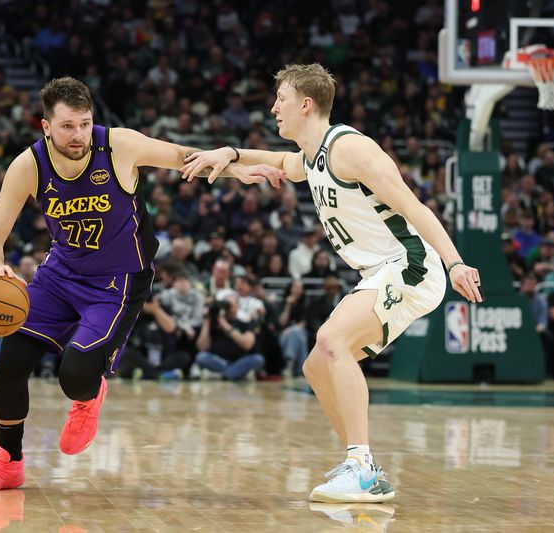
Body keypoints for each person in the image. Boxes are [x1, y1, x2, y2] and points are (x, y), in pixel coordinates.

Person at [182, 63, 482, 502]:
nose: (273, 108)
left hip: (410, 264)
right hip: (380, 271)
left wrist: (455, 262)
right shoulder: (314, 154)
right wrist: (230, 154)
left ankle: (360, 466)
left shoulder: (352, 149)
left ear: (306, 104)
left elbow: (416, 208)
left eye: (280, 99)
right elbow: (282, 162)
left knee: (330, 340)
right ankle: (366, 466)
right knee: (315, 365)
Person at [0, 77, 275, 491]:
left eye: (85, 124)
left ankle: (89, 395)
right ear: (46, 127)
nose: (79, 135)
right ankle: (8, 462)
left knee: (73, 376)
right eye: (68, 126)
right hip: (59, 275)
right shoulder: (28, 165)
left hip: (119, 281)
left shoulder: (120, 145)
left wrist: (240, 170)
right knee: (11, 361)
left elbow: (186, 156)